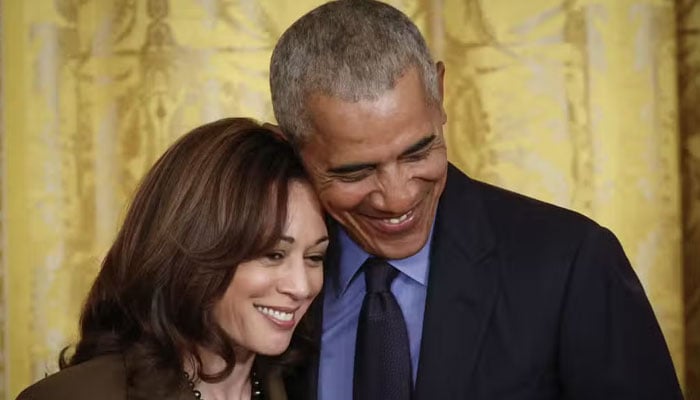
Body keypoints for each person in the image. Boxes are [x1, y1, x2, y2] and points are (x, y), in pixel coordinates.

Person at [268, 1, 683, 399]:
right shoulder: (258, 275)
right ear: (292, 149)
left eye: (418, 152)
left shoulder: (572, 263)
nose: (397, 198)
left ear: (440, 93)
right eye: (355, 171)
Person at [16, 118, 329, 400]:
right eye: (273, 255)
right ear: (196, 250)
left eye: (315, 257)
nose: (301, 287)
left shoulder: (312, 386)